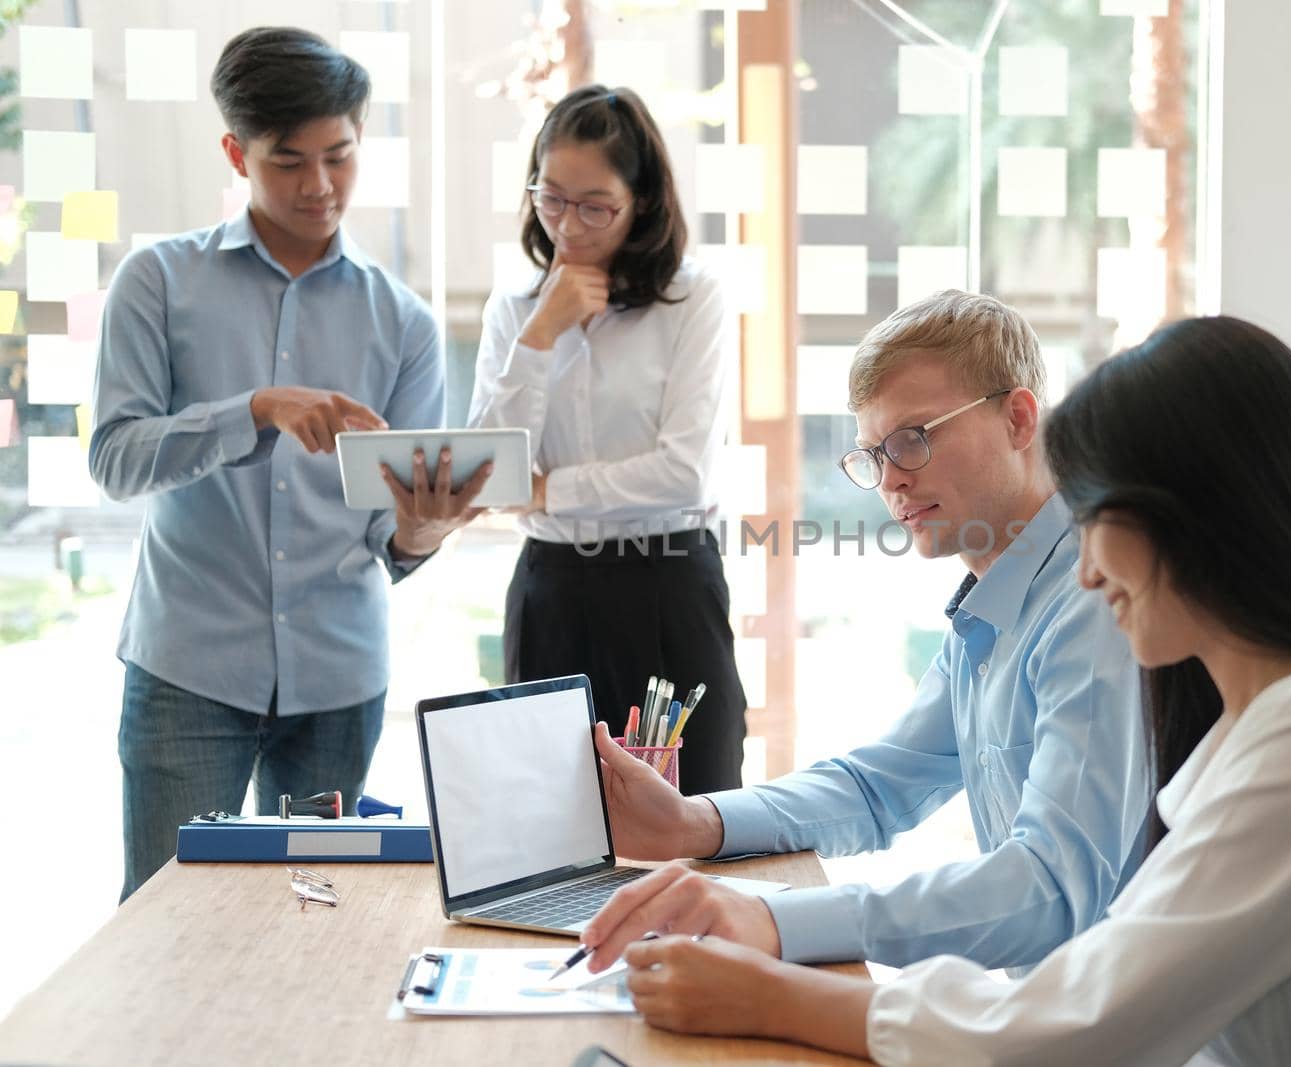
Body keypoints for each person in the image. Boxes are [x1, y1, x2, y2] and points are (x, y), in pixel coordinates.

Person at [608, 315, 1291, 1066]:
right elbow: (892, 789)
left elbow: (1082, 1012)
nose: (1085, 569)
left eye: (1099, 515)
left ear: (1206, 517)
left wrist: (774, 974)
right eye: (874, 453)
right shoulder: (1281, 720)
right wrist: (704, 831)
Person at [576, 289, 1148, 976]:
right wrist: (694, 821)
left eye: (913, 439)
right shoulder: (995, 602)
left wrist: (774, 920)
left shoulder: (1093, 601)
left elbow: (1050, 891)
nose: (892, 482)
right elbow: (878, 786)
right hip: (1037, 1012)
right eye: (874, 455)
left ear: (1019, 418)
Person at [90, 28, 485, 902]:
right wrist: (255, 409)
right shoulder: (156, 283)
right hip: (189, 670)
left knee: (313, 930)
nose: (318, 186)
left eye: (338, 157)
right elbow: (114, 460)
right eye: (287, 162)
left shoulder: (406, 323)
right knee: (165, 927)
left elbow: (395, 544)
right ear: (236, 153)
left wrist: (423, 528)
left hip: (339, 682)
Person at [468, 84, 747, 796]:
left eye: (595, 206)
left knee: (693, 816)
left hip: (668, 585)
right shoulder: (516, 308)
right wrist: (538, 337)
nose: (568, 226)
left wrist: (548, 490)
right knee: (551, 827)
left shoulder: (693, 298)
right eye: (551, 198)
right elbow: (487, 473)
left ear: (643, 200)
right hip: (551, 589)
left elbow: (683, 474)